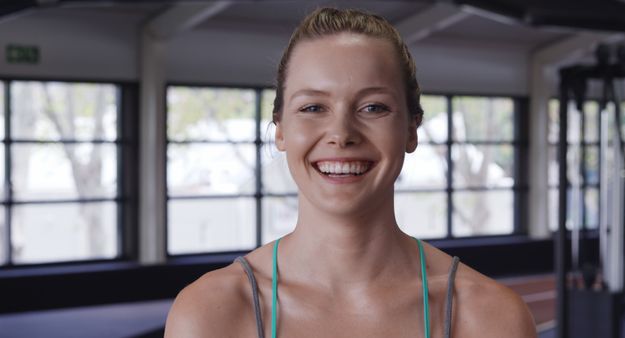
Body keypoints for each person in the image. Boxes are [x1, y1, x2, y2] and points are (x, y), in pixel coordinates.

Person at [165, 7, 537, 338]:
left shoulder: (488, 317)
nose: (341, 134)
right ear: (280, 130)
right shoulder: (210, 315)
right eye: (313, 107)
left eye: (373, 107)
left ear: (411, 129)